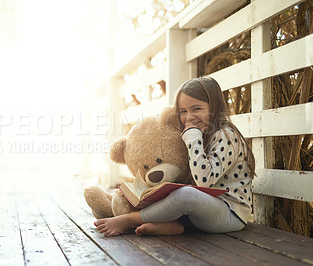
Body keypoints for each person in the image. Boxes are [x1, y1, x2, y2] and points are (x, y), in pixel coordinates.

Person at [95, 77, 255, 237]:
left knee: (186, 195)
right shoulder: (202, 134)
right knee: (171, 189)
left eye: (197, 109)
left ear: (215, 107)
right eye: (183, 111)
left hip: (230, 213)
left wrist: (193, 139)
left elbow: (204, 180)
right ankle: (171, 225)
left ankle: (131, 219)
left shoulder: (225, 135)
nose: (189, 117)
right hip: (202, 211)